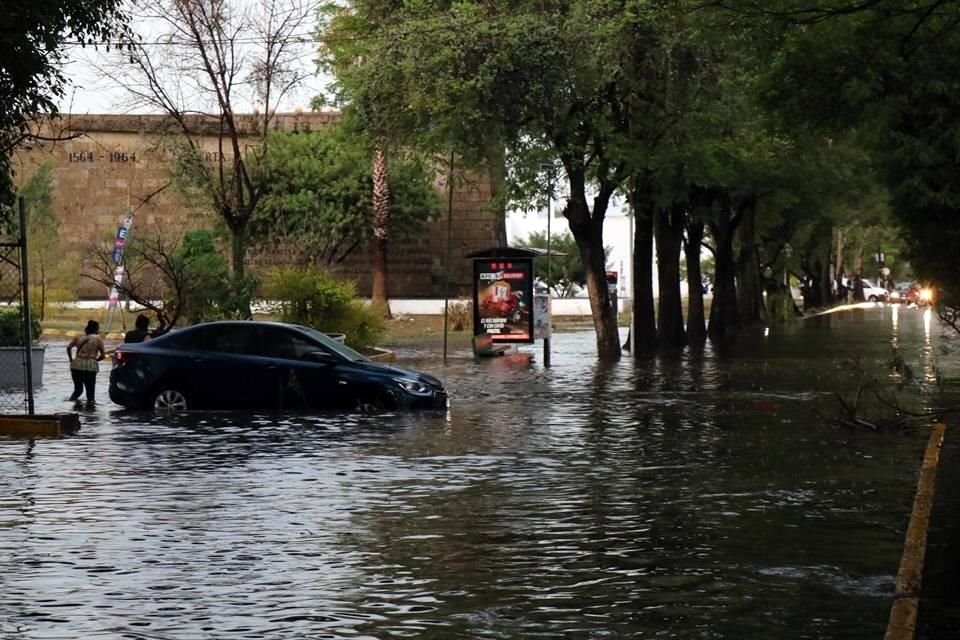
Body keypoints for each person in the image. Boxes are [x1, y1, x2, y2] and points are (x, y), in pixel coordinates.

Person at [67, 320, 106, 404]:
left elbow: (69, 347)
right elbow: (103, 355)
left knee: (78, 391)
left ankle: (72, 408)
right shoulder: (98, 339)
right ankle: (90, 414)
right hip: (90, 367)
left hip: (76, 365)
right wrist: (95, 360)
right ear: (96, 329)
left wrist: (71, 359)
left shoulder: (78, 337)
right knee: (90, 394)